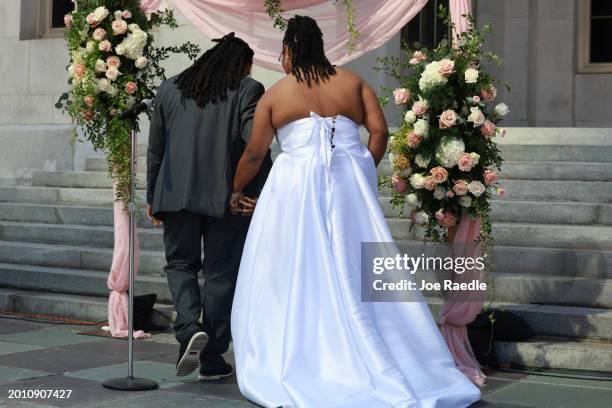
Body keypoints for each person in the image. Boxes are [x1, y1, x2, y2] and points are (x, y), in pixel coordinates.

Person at [229, 16, 482, 407]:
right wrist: (362, 167)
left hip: (294, 191)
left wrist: (236, 188)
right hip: (348, 187)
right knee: (361, 259)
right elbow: (379, 131)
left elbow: (255, 152)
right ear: (320, 46)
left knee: (295, 264)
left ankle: (306, 351)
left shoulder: (276, 95)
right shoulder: (353, 83)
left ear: (289, 50)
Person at [147, 33, 272, 380]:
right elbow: (256, 144)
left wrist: (151, 196)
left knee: (180, 265)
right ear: (242, 64)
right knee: (220, 275)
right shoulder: (248, 89)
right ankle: (213, 360)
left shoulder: (169, 88)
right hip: (226, 197)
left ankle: (189, 329)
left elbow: (156, 147)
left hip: (175, 194)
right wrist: (261, 189)